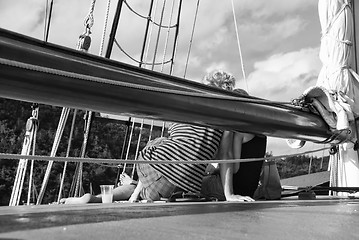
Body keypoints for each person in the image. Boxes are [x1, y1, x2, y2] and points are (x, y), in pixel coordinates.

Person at [200, 70, 267, 202]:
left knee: (191, 183)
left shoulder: (237, 130)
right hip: (249, 189)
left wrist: (214, 170)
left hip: (233, 188)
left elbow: (234, 167)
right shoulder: (261, 132)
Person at [60, 172, 137, 204]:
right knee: (132, 187)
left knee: (132, 187)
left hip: (145, 190)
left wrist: (131, 182)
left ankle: (96, 198)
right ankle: (95, 199)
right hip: (145, 189)